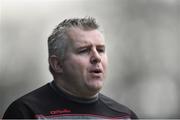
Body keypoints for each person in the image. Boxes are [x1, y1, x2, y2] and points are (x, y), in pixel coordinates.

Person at [3, 17, 138, 119]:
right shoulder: (27, 111)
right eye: (84, 50)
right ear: (58, 64)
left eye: (101, 50)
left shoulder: (124, 116)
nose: (97, 57)